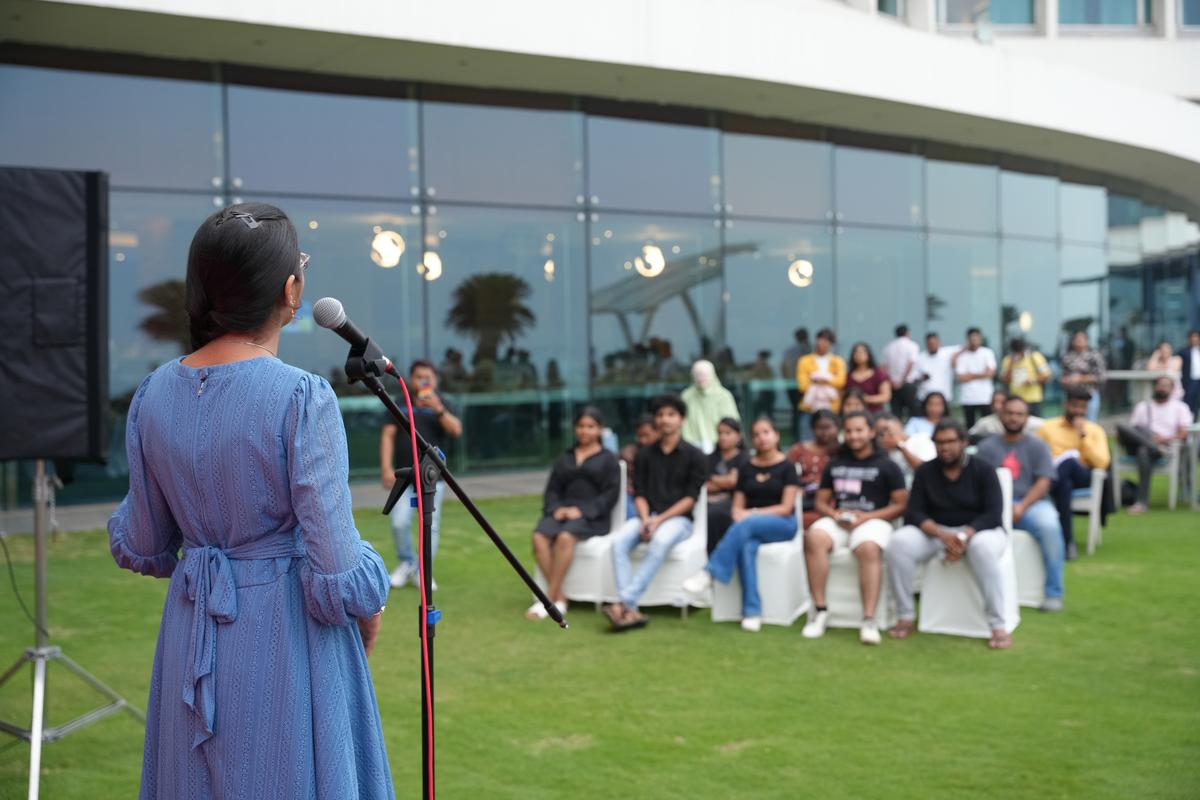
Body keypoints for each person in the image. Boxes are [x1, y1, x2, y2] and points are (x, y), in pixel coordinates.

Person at [107, 204, 393, 797]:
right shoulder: (301, 396)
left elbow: (142, 542)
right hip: (285, 633)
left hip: (193, 625)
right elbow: (336, 565)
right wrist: (368, 602)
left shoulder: (153, 395)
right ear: (292, 290)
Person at [886, 419, 1012, 650]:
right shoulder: (925, 471)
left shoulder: (983, 469)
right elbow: (914, 512)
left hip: (980, 532)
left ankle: (997, 624)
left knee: (982, 548)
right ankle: (905, 615)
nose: (945, 447)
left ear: (963, 442)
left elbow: (994, 515)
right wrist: (943, 536)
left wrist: (964, 536)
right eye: (940, 442)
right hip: (936, 533)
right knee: (899, 543)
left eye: (951, 441)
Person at [682, 418, 800, 631]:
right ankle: (752, 611)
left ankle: (710, 572)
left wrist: (752, 514)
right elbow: (736, 508)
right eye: (756, 434)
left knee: (748, 523)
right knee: (746, 547)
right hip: (750, 524)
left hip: (782, 524)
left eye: (766, 432)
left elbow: (786, 508)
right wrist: (746, 515)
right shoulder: (747, 467)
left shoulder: (787, 467)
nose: (761, 438)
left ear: (776, 435)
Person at [801, 412, 907, 645]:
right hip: (840, 519)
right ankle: (820, 611)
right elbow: (820, 502)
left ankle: (868, 619)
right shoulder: (835, 464)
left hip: (874, 520)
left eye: (859, 430)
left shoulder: (888, 465)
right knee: (814, 537)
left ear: (870, 432)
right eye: (849, 431)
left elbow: (901, 504)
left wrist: (868, 517)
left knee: (868, 548)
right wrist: (834, 514)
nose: (853, 436)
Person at [606, 394, 707, 631]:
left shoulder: (695, 455)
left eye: (671, 415)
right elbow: (639, 492)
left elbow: (690, 499)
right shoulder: (645, 454)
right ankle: (629, 611)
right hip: (646, 515)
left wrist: (659, 520)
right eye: (660, 415)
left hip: (679, 520)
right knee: (618, 542)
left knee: (660, 542)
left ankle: (624, 603)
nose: (665, 420)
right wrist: (645, 519)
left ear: (681, 419)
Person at [527, 407, 621, 620]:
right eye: (580, 426)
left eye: (590, 426)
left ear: (599, 429)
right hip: (562, 512)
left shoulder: (609, 459)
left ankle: (548, 599)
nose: (584, 431)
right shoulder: (565, 458)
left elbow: (610, 495)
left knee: (565, 537)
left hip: (592, 516)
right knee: (539, 536)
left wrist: (581, 511)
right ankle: (560, 597)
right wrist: (557, 509)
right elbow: (552, 489)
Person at [380, 359, 463, 589]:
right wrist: (386, 468)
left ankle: (422, 571)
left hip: (433, 478)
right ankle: (407, 563)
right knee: (399, 523)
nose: (423, 382)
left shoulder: (443, 403)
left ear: (435, 380)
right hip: (404, 476)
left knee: (431, 525)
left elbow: (456, 430)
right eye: (419, 377)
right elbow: (388, 435)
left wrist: (438, 409)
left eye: (428, 377)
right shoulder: (400, 402)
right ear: (411, 379)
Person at [977, 396, 1065, 611]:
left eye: (1019, 414)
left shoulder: (1038, 446)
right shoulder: (986, 447)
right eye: (1010, 413)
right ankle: (981, 597)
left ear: (1027, 418)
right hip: (994, 506)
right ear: (1001, 415)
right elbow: (978, 482)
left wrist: (1022, 506)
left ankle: (1054, 593)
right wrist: (1001, 507)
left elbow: (1044, 481)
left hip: (1032, 505)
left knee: (1050, 526)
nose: (1014, 418)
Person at [1036, 386, 1111, 560]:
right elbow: (1036, 456)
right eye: (1075, 406)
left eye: (1082, 407)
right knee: (1065, 486)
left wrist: (1083, 437)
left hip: (1084, 475)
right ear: (1066, 405)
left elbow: (1102, 462)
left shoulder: (1094, 430)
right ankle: (1067, 542)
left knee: (1069, 462)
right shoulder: (1048, 427)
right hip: (1058, 476)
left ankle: (1045, 490)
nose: (1078, 411)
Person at [1116, 376, 1194, 513]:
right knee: (1122, 427)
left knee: (1143, 451)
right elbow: (1131, 430)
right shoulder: (1142, 406)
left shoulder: (1180, 408)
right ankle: (1153, 445)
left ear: (1172, 389)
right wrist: (1151, 439)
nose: (1161, 388)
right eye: (1159, 384)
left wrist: (1164, 439)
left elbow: (1183, 434)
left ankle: (1141, 503)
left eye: (1166, 385)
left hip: (1164, 447)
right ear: (1154, 387)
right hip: (1141, 445)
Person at [787, 409, 841, 530]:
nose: (824, 432)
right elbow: (787, 474)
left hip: (832, 499)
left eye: (828, 427)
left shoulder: (841, 451)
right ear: (812, 428)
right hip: (804, 498)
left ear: (837, 427)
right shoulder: (798, 449)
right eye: (820, 428)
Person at [705, 418, 748, 553]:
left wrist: (712, 478)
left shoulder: (744, 458)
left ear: (738, 436)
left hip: (734, 501)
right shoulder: (710, 458)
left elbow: (734, 482)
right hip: (708, 500)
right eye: (720, 433)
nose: (723, 437)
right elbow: (705, 485)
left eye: (728, 433)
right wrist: (725, 482)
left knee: (717, 514)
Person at [680, 359, 741, 452]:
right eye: (697, 374)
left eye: (704, 374)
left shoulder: (723, 395)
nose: (700, 378)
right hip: (691, 445)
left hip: (719, 446)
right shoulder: (686, 396)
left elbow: (732, 423)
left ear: (712, 374)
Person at [952, 327, 997, 429]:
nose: (974, 341)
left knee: (988, 426)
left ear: (980, 338)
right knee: (970, 427)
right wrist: (982, 374)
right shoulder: (962, 355)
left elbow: (990, 373)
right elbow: (961, 378)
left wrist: (970, 375)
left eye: (976, 338)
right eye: (972, 338)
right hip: (968, 398)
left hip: (985, 397)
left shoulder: (987, 352)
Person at [875, 413, 935, 487]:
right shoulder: (883, 453)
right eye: (880, 434)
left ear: (897, 424)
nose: (884, 435)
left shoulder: (920, 438)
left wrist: (900, 445)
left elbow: (926, 470)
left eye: (886, 429)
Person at [796, 327, 847, 414]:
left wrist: (818, 380)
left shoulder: (838, 361)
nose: (822, 343)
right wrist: (829, 380)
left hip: (832, 406)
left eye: (826, 341)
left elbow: (841, 382)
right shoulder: (804, 361)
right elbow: (802, 386)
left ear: (831, 344)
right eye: (820, 339)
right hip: (810, 407)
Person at [1060, 331, 1107, 421]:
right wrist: (1067, 381)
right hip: (1072, 396)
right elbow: (1063, 376)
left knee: (1089, 422)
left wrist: (1081, 379)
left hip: (1089, 394)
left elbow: (1101, 377)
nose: (1079, 341)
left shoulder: (1094, 356)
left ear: (1087, 341)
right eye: (1077, 339)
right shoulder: (1068, 357)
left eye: (1082, 339)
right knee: (1071, 422)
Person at [620, 414, 658, 519]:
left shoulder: (663, 453)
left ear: (658, 432)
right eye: (640, 436)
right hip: (634, 495)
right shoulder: (628, 454)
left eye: (647, 435)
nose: (642, 440)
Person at [1000, 338, 1051, 417]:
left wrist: (1033, 381)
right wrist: (1011, 364)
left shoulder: (1035, 357)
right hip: (1015, 400)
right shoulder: (1007, 360)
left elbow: (1047, 376)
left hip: (1033, 400)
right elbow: (1005, 380)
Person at [969, 390, 1045, 441]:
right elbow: (970, 436)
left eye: (1019, 414)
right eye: (994, 402)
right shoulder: (985, 422)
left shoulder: (1034, 423)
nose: (997, 406)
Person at [882, 324, 921, 420]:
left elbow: (884, 367)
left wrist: (892, 381)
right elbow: (910, 364)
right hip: (907, 383)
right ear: (907, 333)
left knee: (896, 413)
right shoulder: (912, 345)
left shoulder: (888, 347)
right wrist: (902, 381)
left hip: (893, 384)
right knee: (914, 413)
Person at [782, 327, 812, 441]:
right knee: (799, 411)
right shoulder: (808, 349)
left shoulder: (790, 350)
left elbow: (783, 367)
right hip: (799, 386)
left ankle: (797, 435)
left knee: (797, 412)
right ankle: (798, 436)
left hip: (795, 385)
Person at [845, 342, 892, 414]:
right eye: (856, 352)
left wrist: (866, 399)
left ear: (868, 355)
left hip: (875, 413)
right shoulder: (848, 375)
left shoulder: (879, 374)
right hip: (853, 415)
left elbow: (886, 396)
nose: (858, 355)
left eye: (862, 352)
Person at [913, 331, 957, 403]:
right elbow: (913, 378)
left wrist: (955, 360)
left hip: (944, 396)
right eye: (930, 344)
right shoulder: (920, 357)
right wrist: (921, 378)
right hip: (924, 397)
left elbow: (963, 349)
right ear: (926, 344)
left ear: (939, 342)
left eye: (934, 343)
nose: (932, 345)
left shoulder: (947, 353)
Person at [1182, 329, 1200, 415]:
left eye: (1196, 337)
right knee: (1191, 401)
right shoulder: (1184, 352)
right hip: (1191, 380)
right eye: (1193, 337)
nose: (1195, 339)